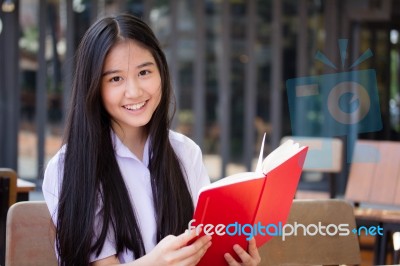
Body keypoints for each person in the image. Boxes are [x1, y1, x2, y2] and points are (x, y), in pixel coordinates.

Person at [43, 14, 261, 266]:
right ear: (93, 87)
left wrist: (232, 259)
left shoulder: (185, 153)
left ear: (161, 72)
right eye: (116, 79)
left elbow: (204, 246)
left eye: (144, 72)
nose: (134, 91)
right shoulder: (70, 166)